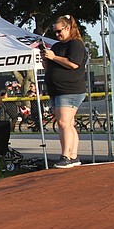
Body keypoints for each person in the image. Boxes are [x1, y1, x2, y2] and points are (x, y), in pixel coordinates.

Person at [42, 15, 88, 169]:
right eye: (54, 32)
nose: (57, 35)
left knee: (63, 123)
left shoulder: (76, 44)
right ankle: (73, 156)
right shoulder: (56, 46)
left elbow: (74, 64)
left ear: (68, 28)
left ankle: (66, 156)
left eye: (59, 31)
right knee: (68, 123)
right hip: (56, 89)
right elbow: (50, 67)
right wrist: (47, 59)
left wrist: (54, 57)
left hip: (70, 89)